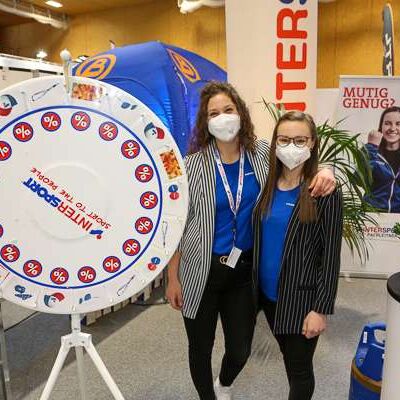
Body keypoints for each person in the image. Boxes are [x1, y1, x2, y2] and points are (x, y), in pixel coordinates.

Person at [166, 82, 336, 400]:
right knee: (200, 347)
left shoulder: (260, 154)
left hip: (243, 272)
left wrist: (327, 169)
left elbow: (300, 160)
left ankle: (224, 383)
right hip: (198, 271)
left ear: (240, 113)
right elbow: (177, 227)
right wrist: (173, 277)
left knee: (240, 348)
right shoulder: (191, 167)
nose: (222, 118)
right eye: (214, 113)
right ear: (205, 121)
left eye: (228, 110)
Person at [254, 111, 343, 400]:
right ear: (275, 143)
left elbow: (330, 256)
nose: (291, 146)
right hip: (267, 297)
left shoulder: (323, 190)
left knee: (299, 370)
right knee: (287, 355)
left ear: (312, 143)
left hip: (301, 301)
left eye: (300, 140)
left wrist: (320, 309)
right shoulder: (267, 184)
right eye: (284, 139)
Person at [364, 106, 400, 213]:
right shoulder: (371, 150)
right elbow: (358, 180)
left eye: (398, 124)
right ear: (381, 127)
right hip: (372, 216)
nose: (393, 128)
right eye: (387, 123)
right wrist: (371, 146)